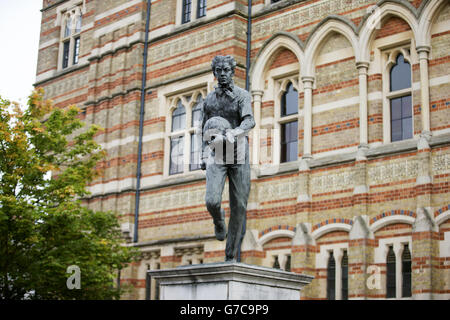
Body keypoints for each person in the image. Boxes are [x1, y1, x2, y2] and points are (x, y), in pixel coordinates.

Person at [200, 55, 255, 262]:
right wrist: (202, 153)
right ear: (214, 73)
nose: (223, 74)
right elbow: (202, 127)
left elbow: (250, 120)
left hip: (238, 150)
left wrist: (236, 131)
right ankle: (218, 220)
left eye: (226, 70)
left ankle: (230, 254)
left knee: (239, 205)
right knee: (212, 200)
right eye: (219, 71)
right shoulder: (209, 100)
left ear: (232, 72)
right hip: (217, 150)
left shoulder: (242, 95)